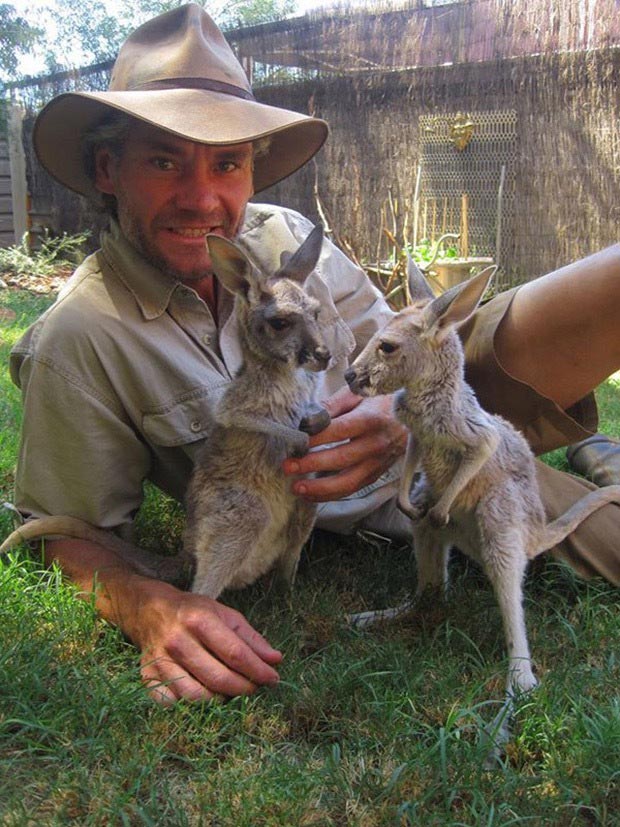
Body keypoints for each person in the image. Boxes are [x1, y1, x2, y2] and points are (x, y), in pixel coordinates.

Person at [8, 4, 619, 705]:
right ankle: (596, 457)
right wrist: (150, 606)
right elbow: (62, 536)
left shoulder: (286, 236)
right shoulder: (82, 336)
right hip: (401, 495)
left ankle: (589, 444)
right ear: (109, 168)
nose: (202, 197)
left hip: (435, 409)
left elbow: (403, 342)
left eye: (228, 163)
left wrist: (391, 414)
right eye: (163, 160)